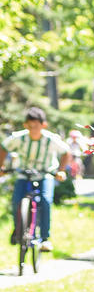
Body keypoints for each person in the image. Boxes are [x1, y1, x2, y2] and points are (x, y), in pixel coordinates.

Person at [0, 106, 69, 251]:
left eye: (36, 126)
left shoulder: (51, 140)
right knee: (16, 200)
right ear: (25, 125)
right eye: (30, 126)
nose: (33, 130)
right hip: (23, 174)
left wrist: (61, 171)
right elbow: (4, 147)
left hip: (45, 175)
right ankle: (18, 230)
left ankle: (45, 238)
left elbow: (65, 152)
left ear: (43, 125)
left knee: (45, 200)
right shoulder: (20, 138)